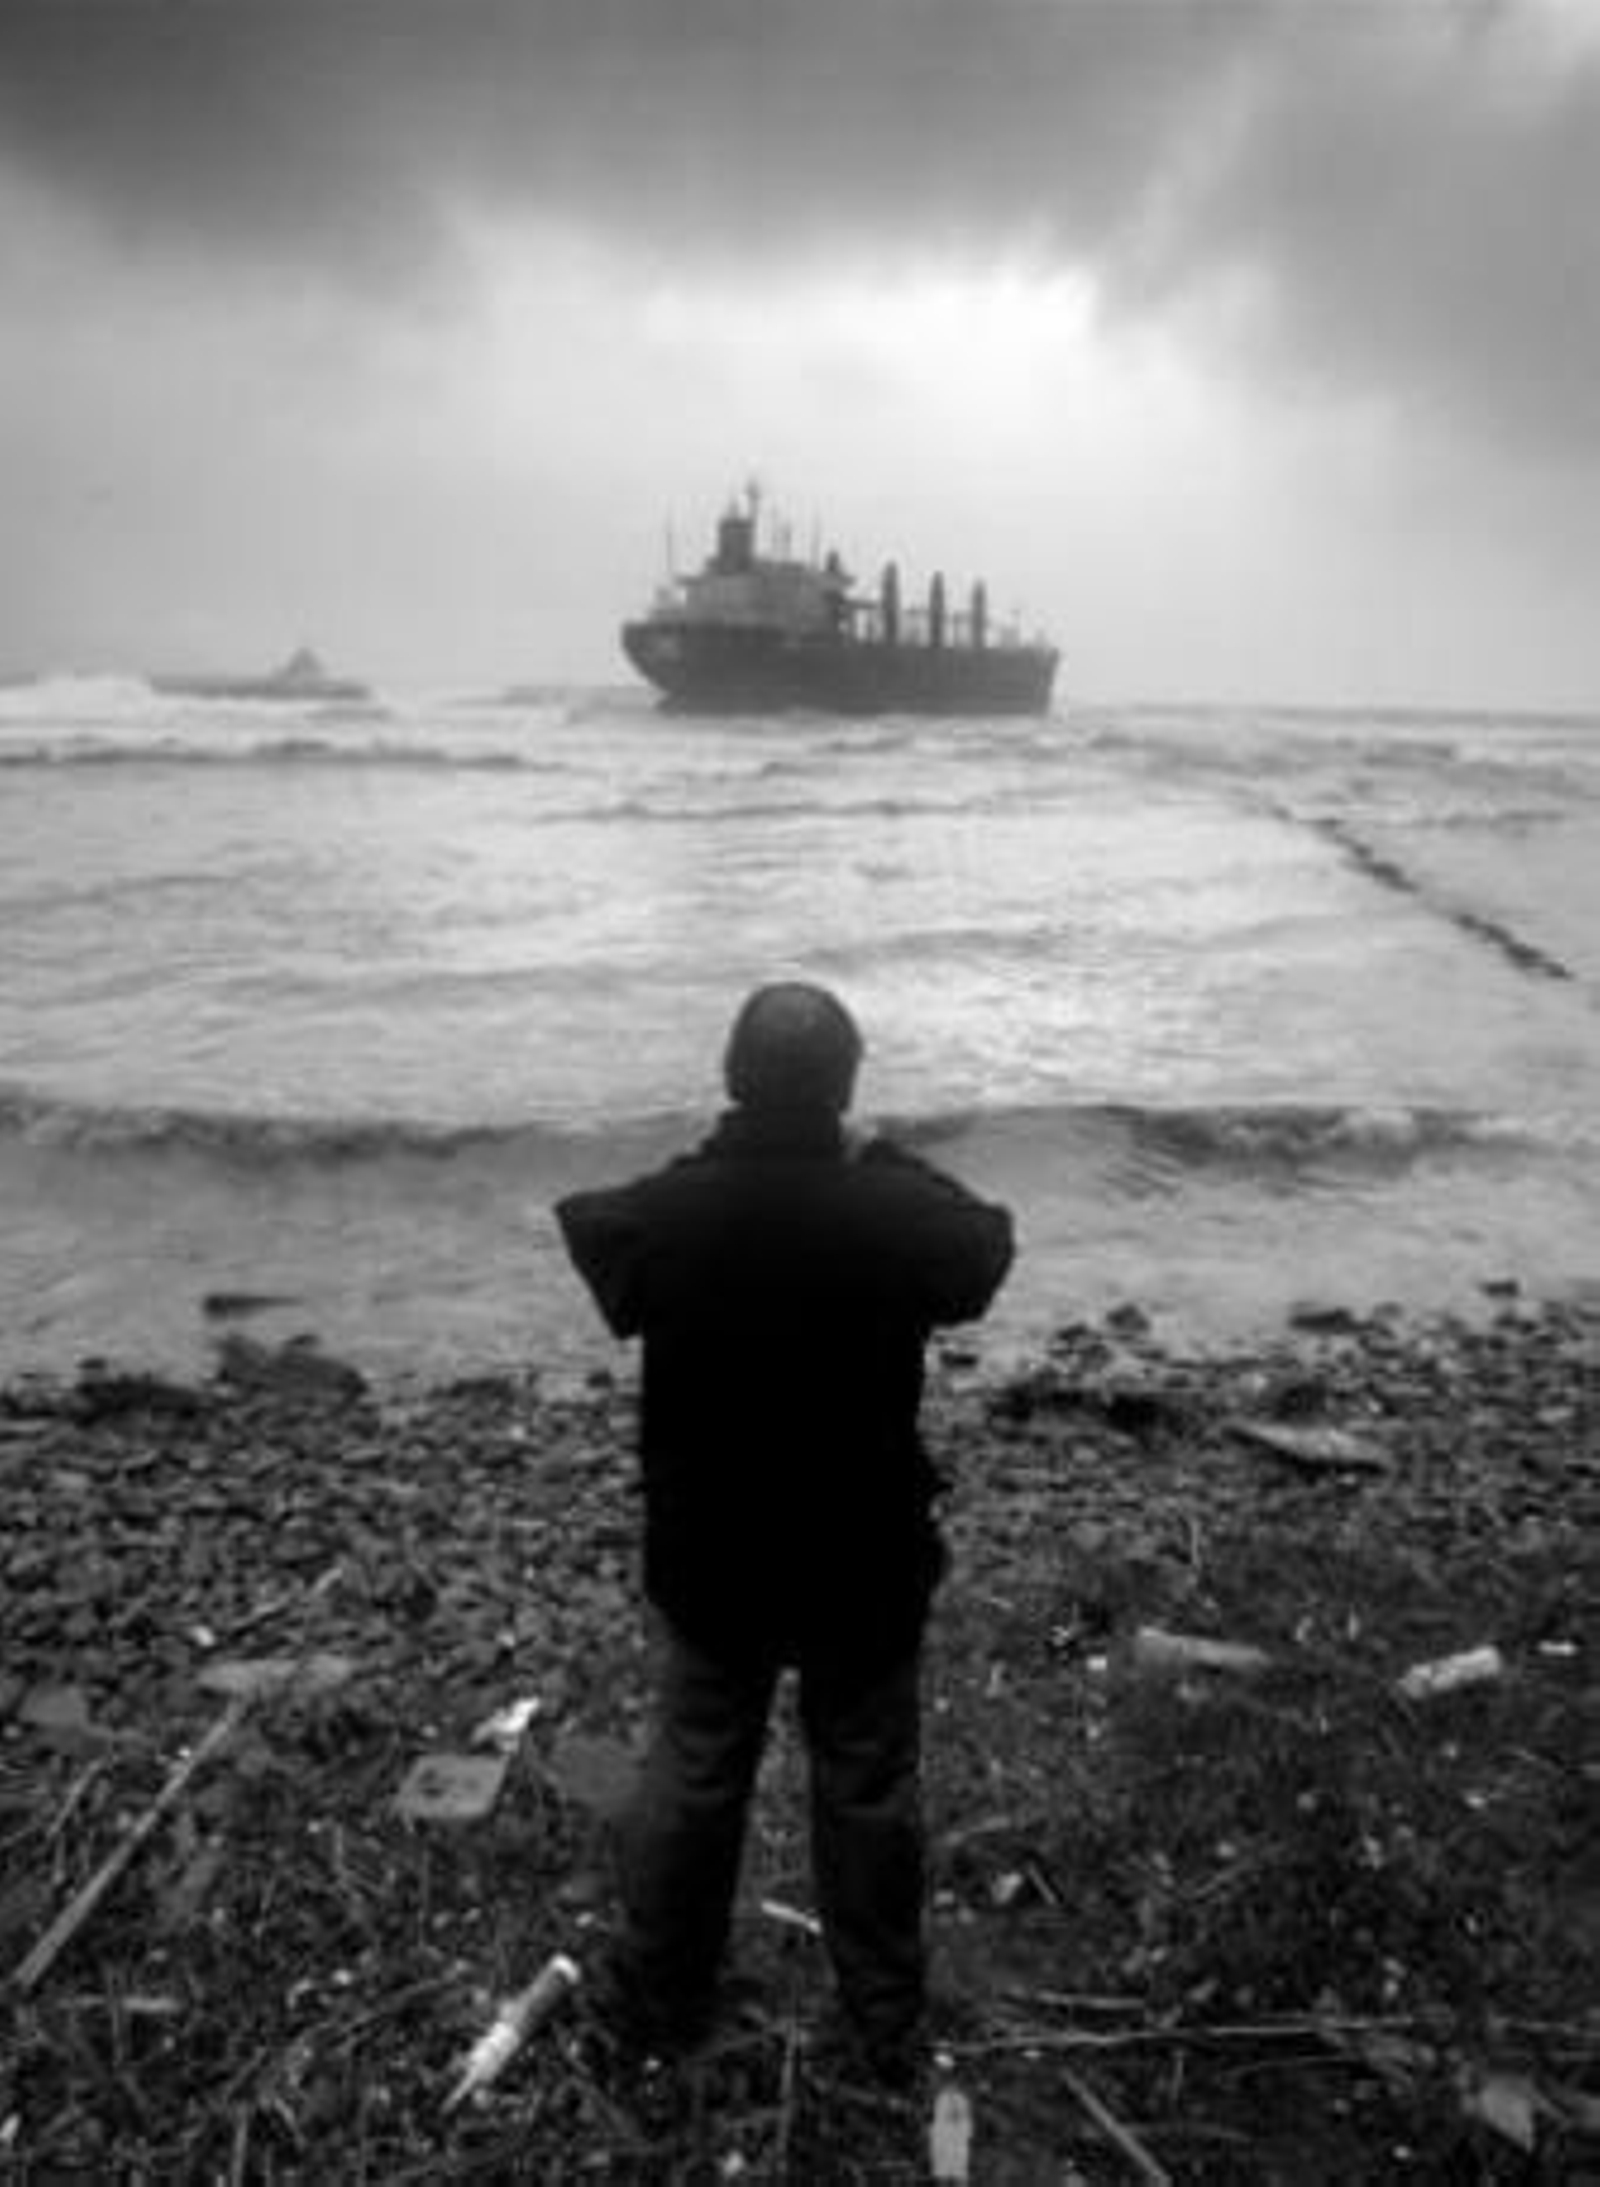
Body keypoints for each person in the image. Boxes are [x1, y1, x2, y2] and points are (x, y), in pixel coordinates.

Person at [555, 982, 1014, 2082]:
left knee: (698, 1768)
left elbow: (596, 1220)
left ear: (729, 1077)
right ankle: (883, 2021)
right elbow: (982, 1247)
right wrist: (879, 1155)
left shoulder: (672, 1215)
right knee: (864, 1782)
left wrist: (721, 1153)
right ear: (847, 1087)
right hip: (862, 1552)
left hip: (714, 1554)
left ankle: (659, 1998)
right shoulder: (890, 1208)